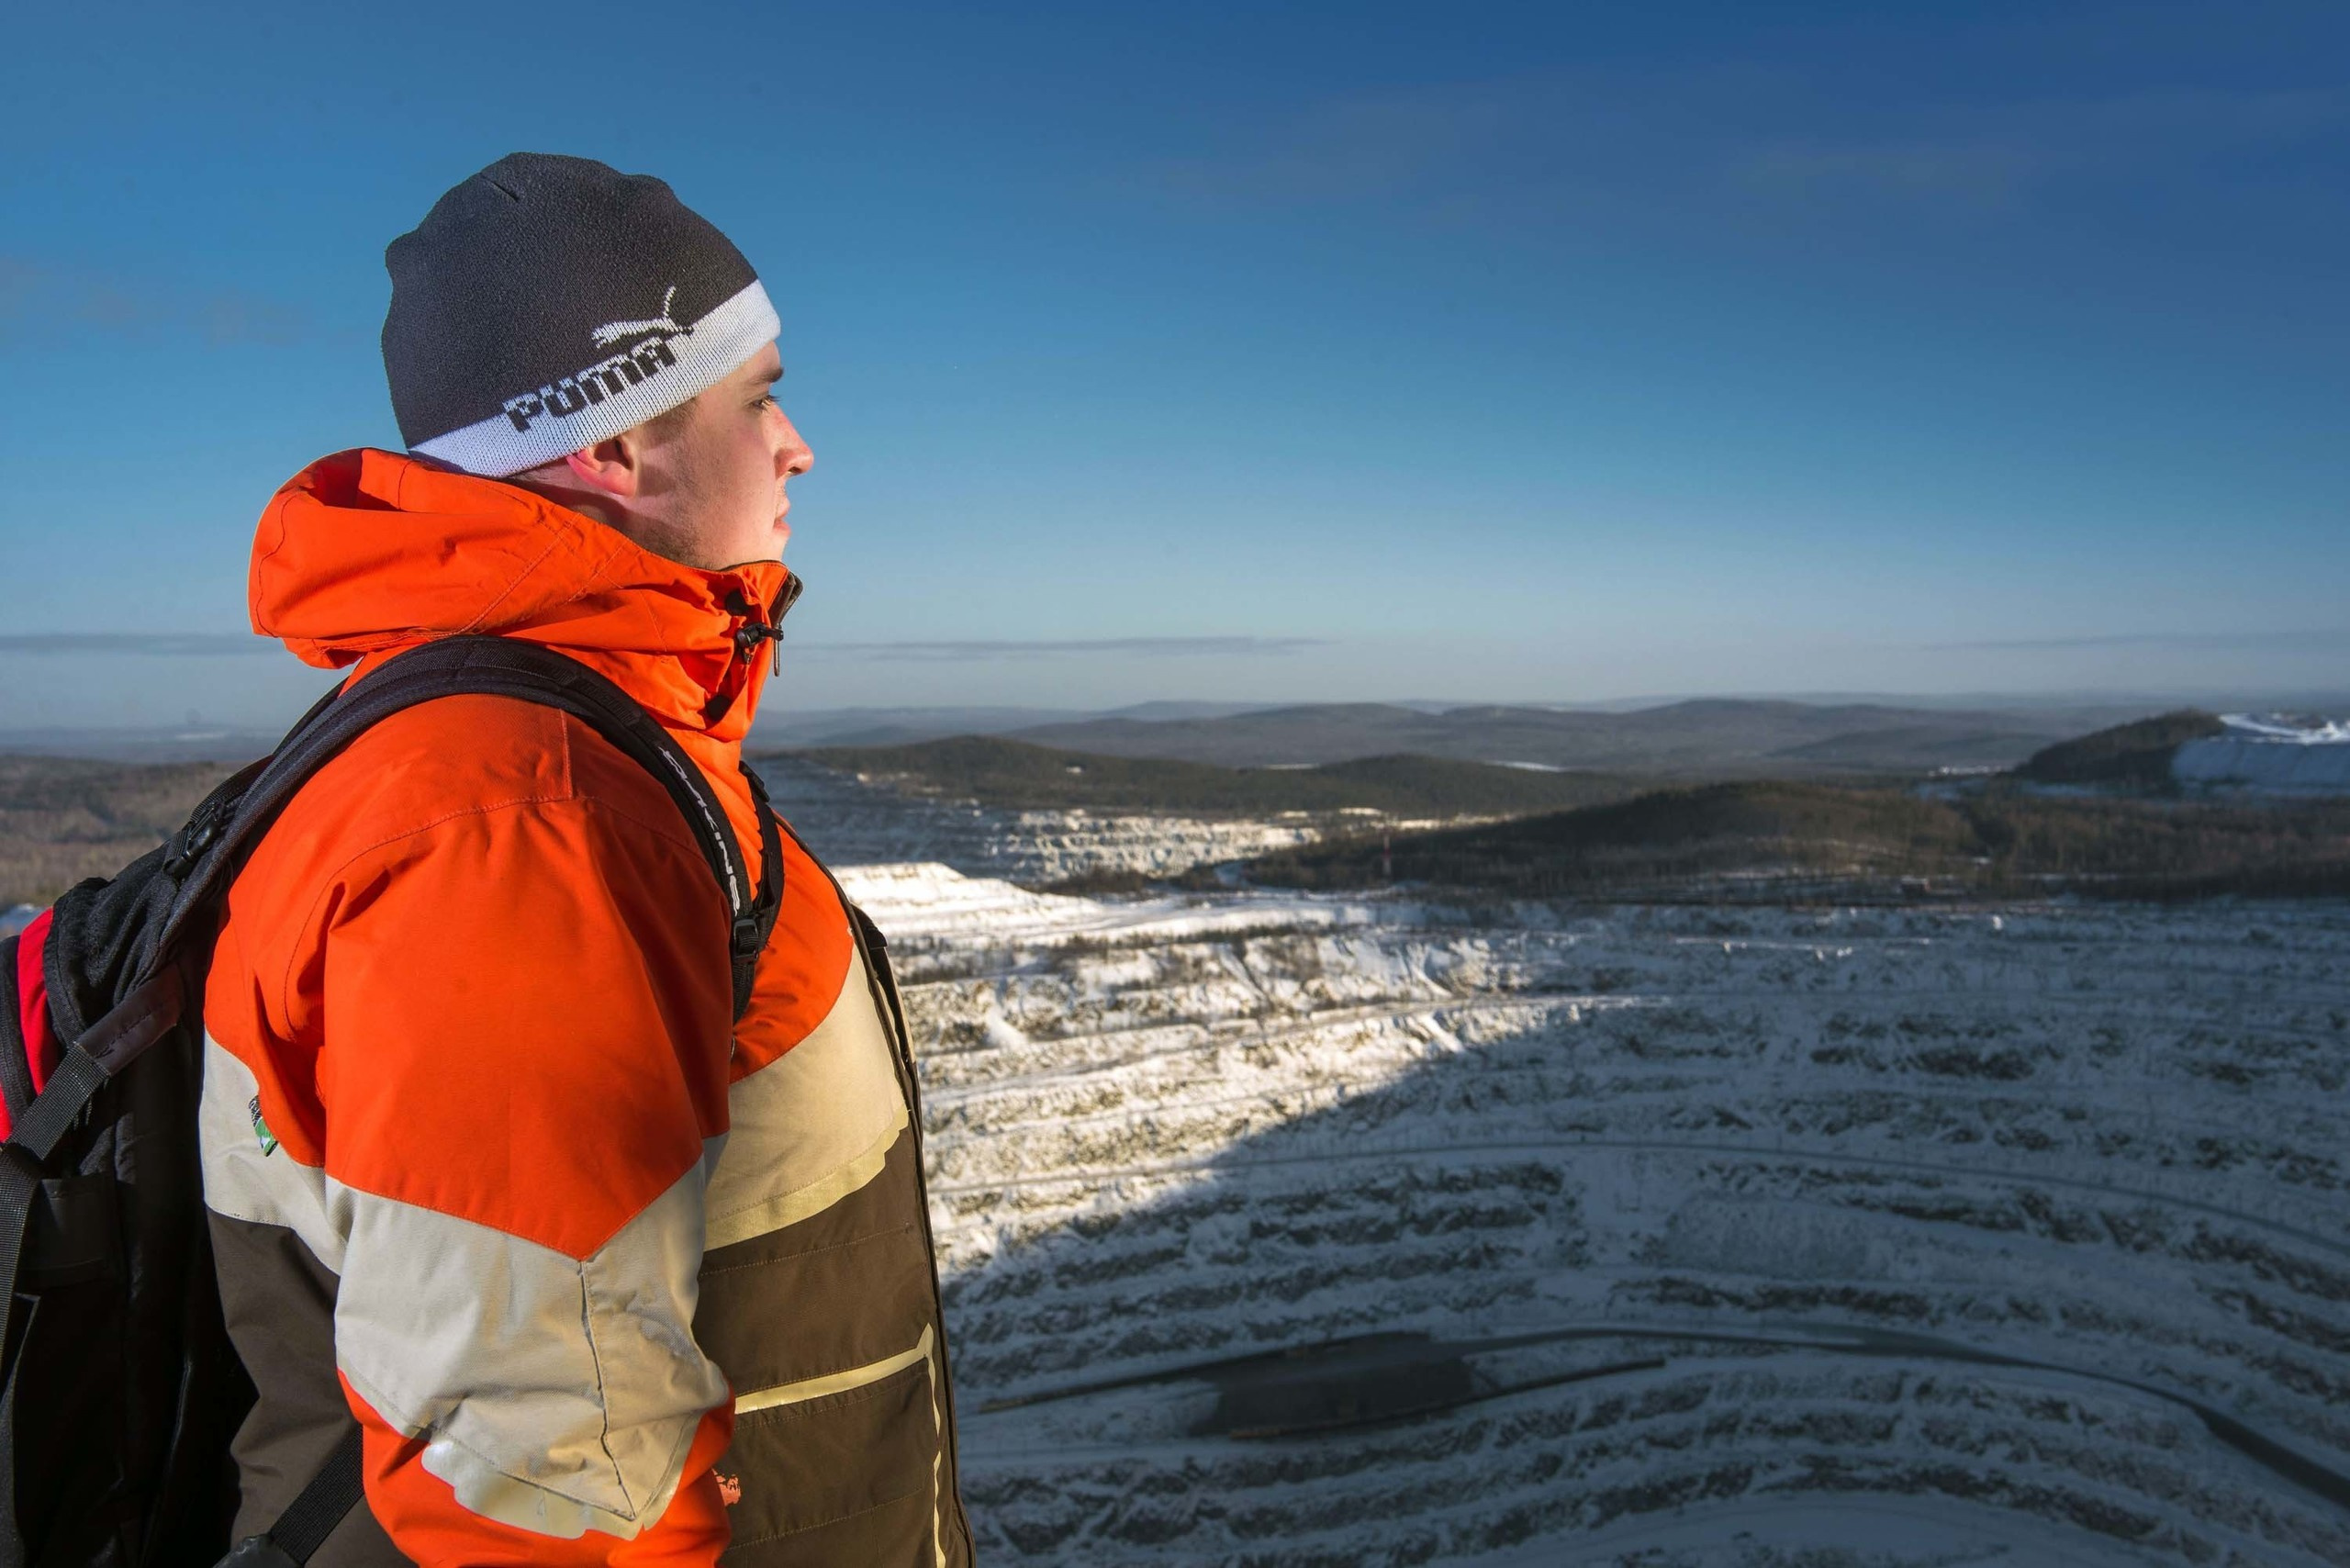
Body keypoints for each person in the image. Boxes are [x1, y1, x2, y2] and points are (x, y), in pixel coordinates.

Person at [199, 152, 972, 1565]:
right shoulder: (521, 827)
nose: (798, 444)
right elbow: (545, 1489)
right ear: (611, 442)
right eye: (758, 395)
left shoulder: (550, 754)